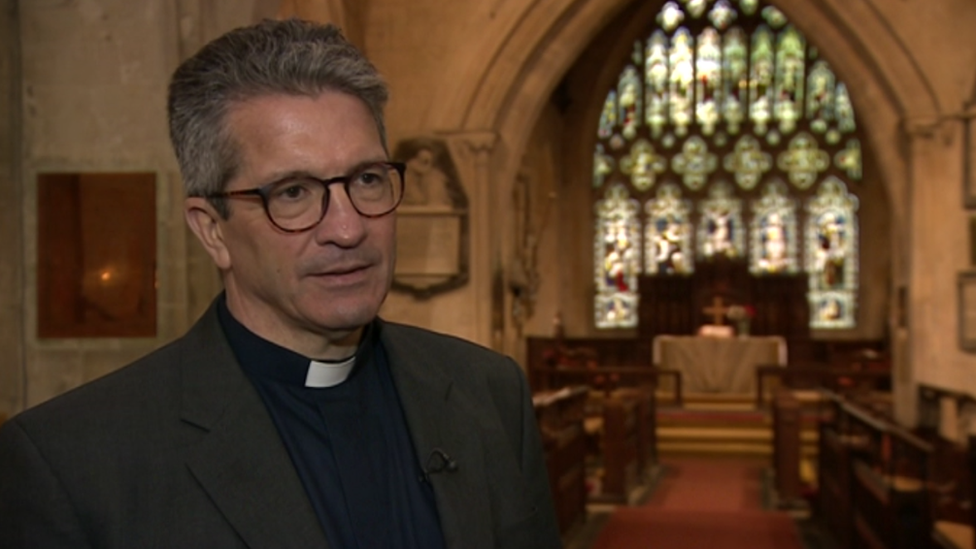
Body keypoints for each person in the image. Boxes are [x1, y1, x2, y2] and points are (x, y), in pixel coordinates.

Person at [0, 19, 560, 549]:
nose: (347, 227)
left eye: (367, 179)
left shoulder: (488, 392)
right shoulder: (74, 462)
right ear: (212, 230)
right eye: (292, 192)